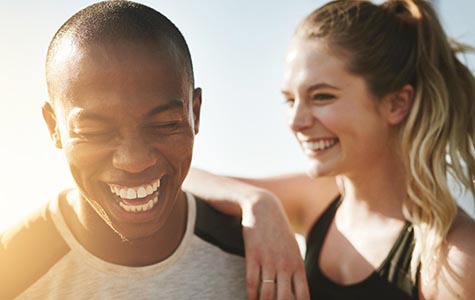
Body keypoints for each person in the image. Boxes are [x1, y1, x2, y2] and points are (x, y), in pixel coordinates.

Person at [184, 0, 475, 299]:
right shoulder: (319, 200)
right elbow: (182, 177)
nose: (296, 122)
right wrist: (256, 202)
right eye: (290, 100)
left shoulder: (455, 258)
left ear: (396, 104)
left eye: (322, 96)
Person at [0, 1, 249, 299]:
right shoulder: (10, 272)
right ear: (53, 126)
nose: (134, 161)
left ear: (195, 113)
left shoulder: (256, 262)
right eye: (94, 131)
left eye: (165, 124)